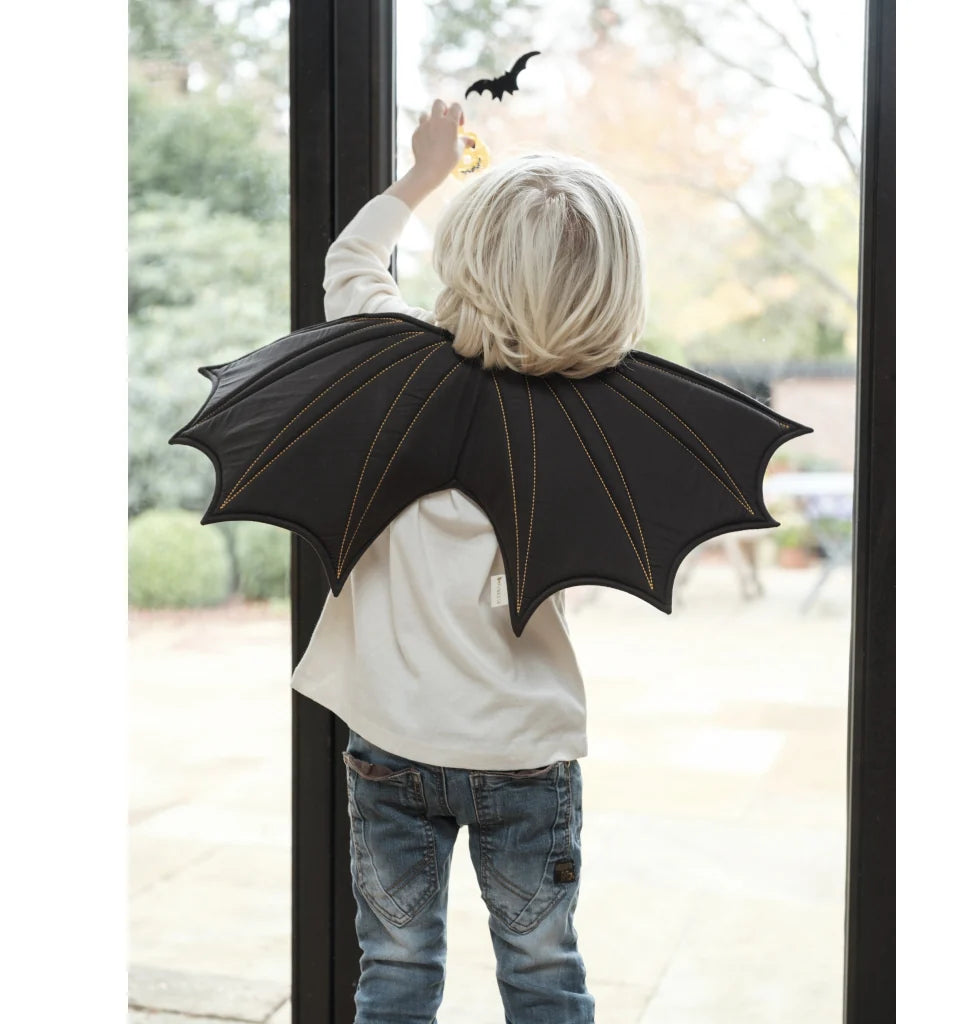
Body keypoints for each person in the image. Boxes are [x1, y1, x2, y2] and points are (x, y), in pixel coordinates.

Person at [290, 98, 648, 1024]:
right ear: (609, 293)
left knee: (396, 976)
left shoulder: (381, 372)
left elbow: (352, 264)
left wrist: (424, 173)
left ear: (466, 260)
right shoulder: (599, 427)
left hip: (391, 746)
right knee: (543, 975)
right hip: (525, 755)